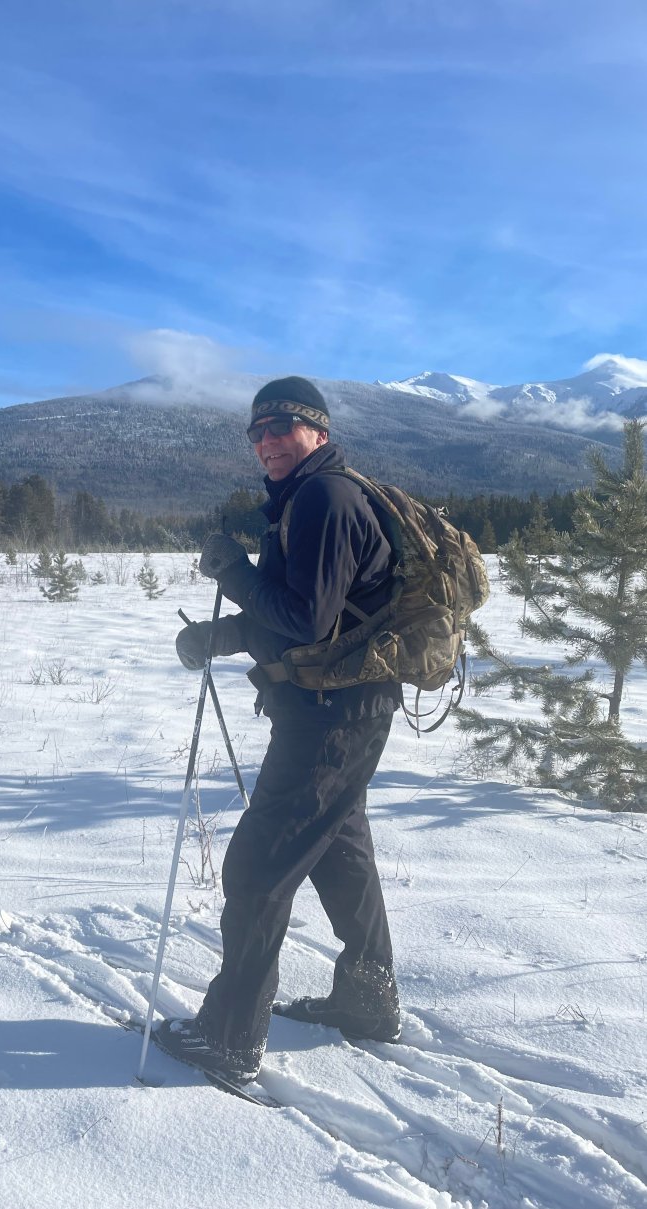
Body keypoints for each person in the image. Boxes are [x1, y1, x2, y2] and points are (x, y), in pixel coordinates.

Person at [155, 375, 401, 1086]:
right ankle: (367, 1002)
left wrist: (234, 572)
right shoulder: (306, 498)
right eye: (255, 431)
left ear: (317, 432)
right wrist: (224, 635)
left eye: (280, 427)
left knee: (258, 865)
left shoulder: (324, 497)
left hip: (329, 718)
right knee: (340, 854)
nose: (265, 441)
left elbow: (306, 620)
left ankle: (229, 1036)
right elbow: (304, 613)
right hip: (340, 711)